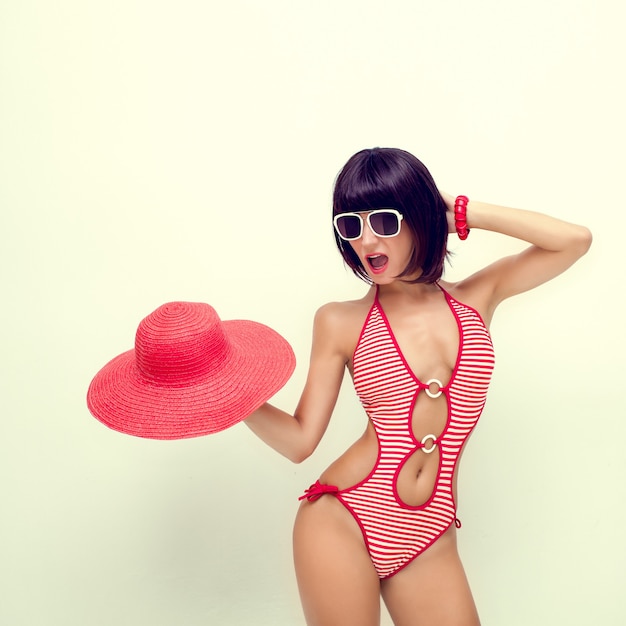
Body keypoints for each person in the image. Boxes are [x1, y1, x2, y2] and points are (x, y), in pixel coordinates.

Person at [244, 147, 592, 626]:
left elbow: (574, 241)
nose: (366, 240)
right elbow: (301, 441)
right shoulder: (340, 321)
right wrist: (229, 399)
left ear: (420, 220)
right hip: (344, 520)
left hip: (430, 533)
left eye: (384, 222)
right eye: (351, 225)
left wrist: (463, 214)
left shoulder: (477, 297)